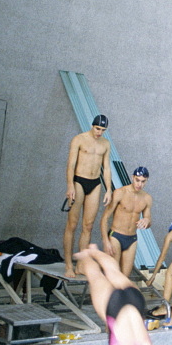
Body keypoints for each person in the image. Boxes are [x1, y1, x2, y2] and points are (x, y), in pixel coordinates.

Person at [75, 245, 164, 345]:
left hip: (135, 301)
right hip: (114, 307)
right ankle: (85, 257)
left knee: (113, 271)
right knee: (95, 274)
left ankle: (93, 251)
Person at [63, 114, 113, 278]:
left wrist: (109, 190)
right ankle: (69, 265)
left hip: (95, 183)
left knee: (88, 226)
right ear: (92, 126)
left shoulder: (105, 144)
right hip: (78, 181)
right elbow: (70, 164)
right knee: (72, 224)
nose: (99, 132)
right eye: (97, 128)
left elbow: (106, 168)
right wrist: (70, 185)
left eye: (103, 130)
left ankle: (81, 265)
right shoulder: (79, 139)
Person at [100, 166, 153, 276]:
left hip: (132, 239)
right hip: (116, 236)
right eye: (137, 180)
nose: (140, 184)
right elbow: (105, 218)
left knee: (125, 277)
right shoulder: (120, 193)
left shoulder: (147, 198)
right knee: (113, 274)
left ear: (147, 181)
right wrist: (106, 241)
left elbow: (148, 222)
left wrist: (147, 221)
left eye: (143, 181)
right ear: (132, 177)